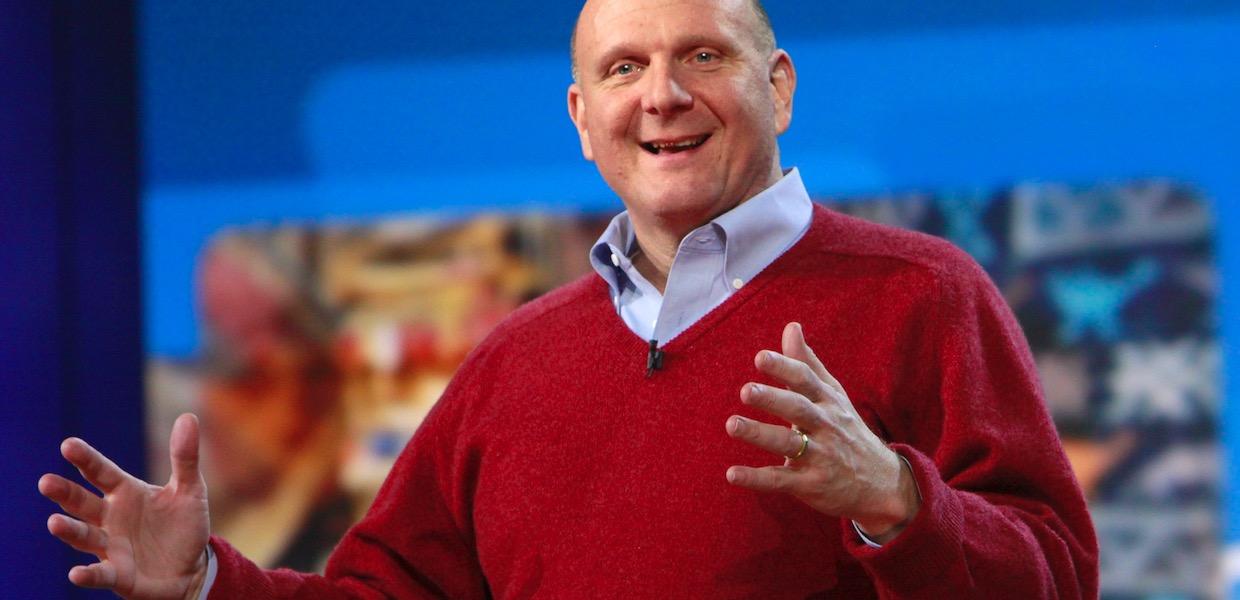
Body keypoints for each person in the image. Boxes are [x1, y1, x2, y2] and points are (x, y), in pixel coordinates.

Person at [38, 0, 1099, 597]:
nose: (663, 95)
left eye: (702, 56)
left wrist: (898, 502)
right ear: (583, 119)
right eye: (624, 69)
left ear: (777, 85)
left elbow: (1056, 574)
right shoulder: (520, 357)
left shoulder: (921, 294)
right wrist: (208, 583)